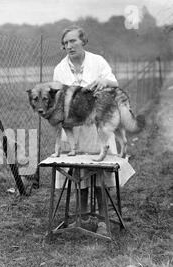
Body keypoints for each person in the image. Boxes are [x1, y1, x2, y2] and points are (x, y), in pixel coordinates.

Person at [52, 25, 119, 236]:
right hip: (74, 128)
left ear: (83, 41)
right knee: (77, 172)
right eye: (65, 43)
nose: (68, 46)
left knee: (100, 174)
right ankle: (82, 217)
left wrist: (103, 81)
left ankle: (102, 220)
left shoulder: (97, 61)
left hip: (97, 125)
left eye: (72, 41)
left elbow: (114, 83)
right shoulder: (60, 69)